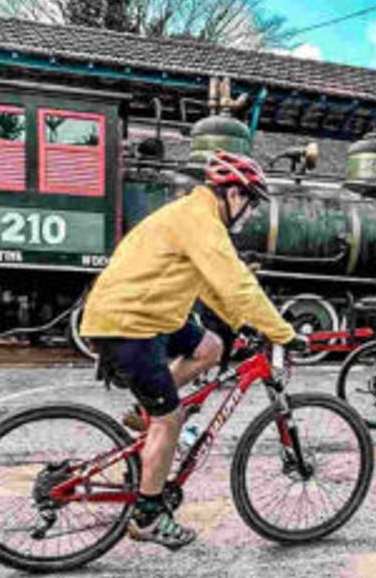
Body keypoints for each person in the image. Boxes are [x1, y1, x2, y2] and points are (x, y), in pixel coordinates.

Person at [80, 151, 297, 550]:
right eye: (250, 201)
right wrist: (283, 333)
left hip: (150, 314)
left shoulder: (196, 217)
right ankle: (147, 516)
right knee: (171, 419)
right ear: (232, 193)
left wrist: (243, 323)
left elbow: (216, 289)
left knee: (210, 346)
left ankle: (148, 410)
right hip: (129, 323)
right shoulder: (201, 221)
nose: (249, 213)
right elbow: (238, 285)